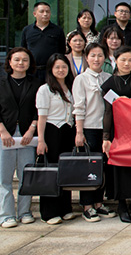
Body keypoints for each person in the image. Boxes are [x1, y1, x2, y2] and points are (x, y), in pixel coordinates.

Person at [101, 46, 131, 223]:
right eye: (123, 60)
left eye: (130, 60)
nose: (127, 63)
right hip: (118, 132)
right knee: (119, 168)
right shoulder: (109, 84)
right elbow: (107, 111)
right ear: (115, 61)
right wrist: (106, 137)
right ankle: (122, 206)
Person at [0, 47, 42, 227]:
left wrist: (32, 129)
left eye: (24, 60)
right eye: (16, 59)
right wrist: (2, 130)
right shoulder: (1, 82)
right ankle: (6, 215)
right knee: (4, 178)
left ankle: (25, 211)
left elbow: (39, 109)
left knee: (26, 176)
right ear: (9, 62)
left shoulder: (36, 83)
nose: (20, 63)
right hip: (5, 134)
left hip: (27, 134)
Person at [72, 43, 113, 222]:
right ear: (86, 58)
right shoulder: (81, 79)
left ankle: (98, 202)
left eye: (100, 55)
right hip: (89, 128)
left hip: (105, 130)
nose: (97, 59)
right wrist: (79, 131)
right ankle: (87, 206)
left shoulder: (108, 77)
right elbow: (79, 107)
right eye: (93, 56)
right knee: (89, 168)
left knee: (102, 167)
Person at [35, 54, 76, 225]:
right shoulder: (45, 89)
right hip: (52, 132)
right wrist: (41, 140)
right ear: (51, 69)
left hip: (68, 131)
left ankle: (65, 208)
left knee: (66, 171)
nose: (61, 70)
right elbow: (42, 117)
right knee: (51, 172)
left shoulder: (71, 87)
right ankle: (49, 212)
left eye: (64, 67)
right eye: (57, 67)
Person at [21, 1, 65, 78]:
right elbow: (23, 50)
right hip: (32, 70)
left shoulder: (58, 30)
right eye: (42, 11)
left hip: (51, 70)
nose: (45, 14)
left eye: (47, 12)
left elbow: (62, 50)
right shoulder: (27, 30)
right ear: (34, 14)